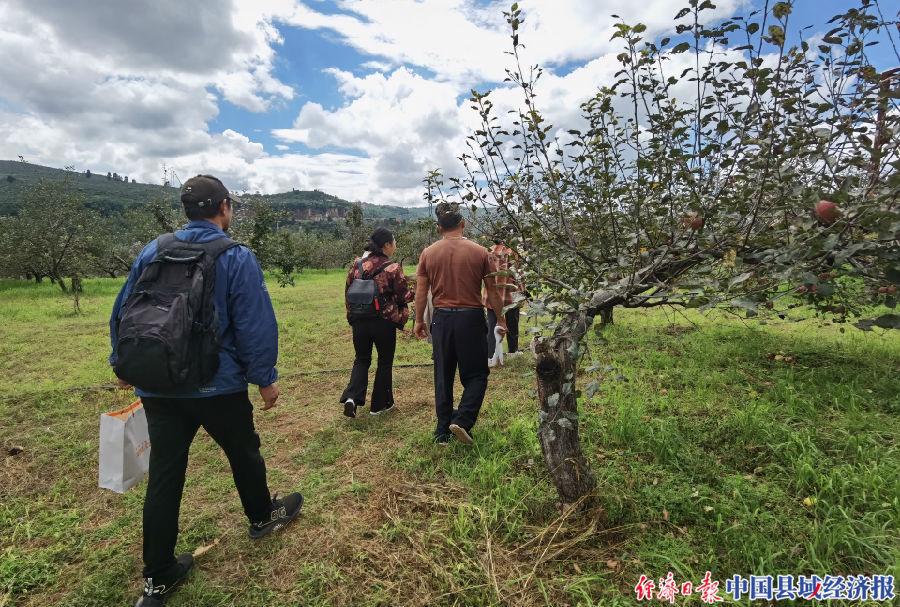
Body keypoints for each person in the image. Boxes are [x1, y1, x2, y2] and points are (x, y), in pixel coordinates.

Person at [109, 175, 303, 607]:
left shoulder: (153, 250)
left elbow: (123, 309)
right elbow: (254, 324)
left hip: (159, 386)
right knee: (243, 453)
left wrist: (121, 363)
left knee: (165, 474)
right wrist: (265, 379)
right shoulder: (236, 257)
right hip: (218, 386)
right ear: (224, 208)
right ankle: (260, 517)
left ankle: (158, 577)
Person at [413, 202, 507, 445]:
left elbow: (421, 292)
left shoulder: (428, 253)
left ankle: (442, 431)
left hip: (442, 319)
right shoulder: (479, 252)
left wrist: (418, 321)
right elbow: (493, 291)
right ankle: (463, 419)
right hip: (471, 318)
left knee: (443, 373)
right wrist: (501, 318)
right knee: (476, 374)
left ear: (438, 228)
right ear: (462, 225)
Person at [340, 227, 412, 418]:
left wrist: (351, 316)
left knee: (362, 359)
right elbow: (403, 295)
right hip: (383, 322)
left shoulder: (357, 265)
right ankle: (380, 405)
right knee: (384, 361)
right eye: (394, 241)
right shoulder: (392, 268)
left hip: (359, 320)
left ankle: (352, 398)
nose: (395, 245)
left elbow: (348, 290)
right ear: (386, 245)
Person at [484, 237, 522, 365]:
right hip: (511, 294)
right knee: (512, 323)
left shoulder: (489, 252)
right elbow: (519, 274)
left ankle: (490, 355)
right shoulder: (514, 253)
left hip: (492, 295)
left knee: (492, 325)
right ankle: (512, 351)